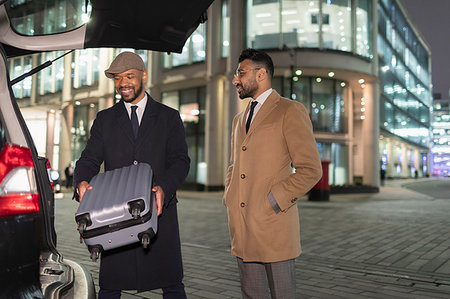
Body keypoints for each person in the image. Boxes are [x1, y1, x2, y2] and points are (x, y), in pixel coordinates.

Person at [73, 51, 190, 298]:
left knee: (172, 285)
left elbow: (180, 161)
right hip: (115, 219)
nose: (123, 83)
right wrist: (81, 182)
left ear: (143, 76)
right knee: (110, 287)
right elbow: (89, 158)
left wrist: (164, 188)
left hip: (159, 213)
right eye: (117, 78)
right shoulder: (105, 119)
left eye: (129, 76)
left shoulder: (169, 117)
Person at [223, 48, 322, 298]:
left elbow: (310, 169)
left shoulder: (289, 110)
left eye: (241, 73)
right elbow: (235, 164)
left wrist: (274, 200)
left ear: (262, 74)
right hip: (242, 228)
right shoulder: (238, 119)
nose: (235, 79)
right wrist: (230, 196)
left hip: (273, 224)